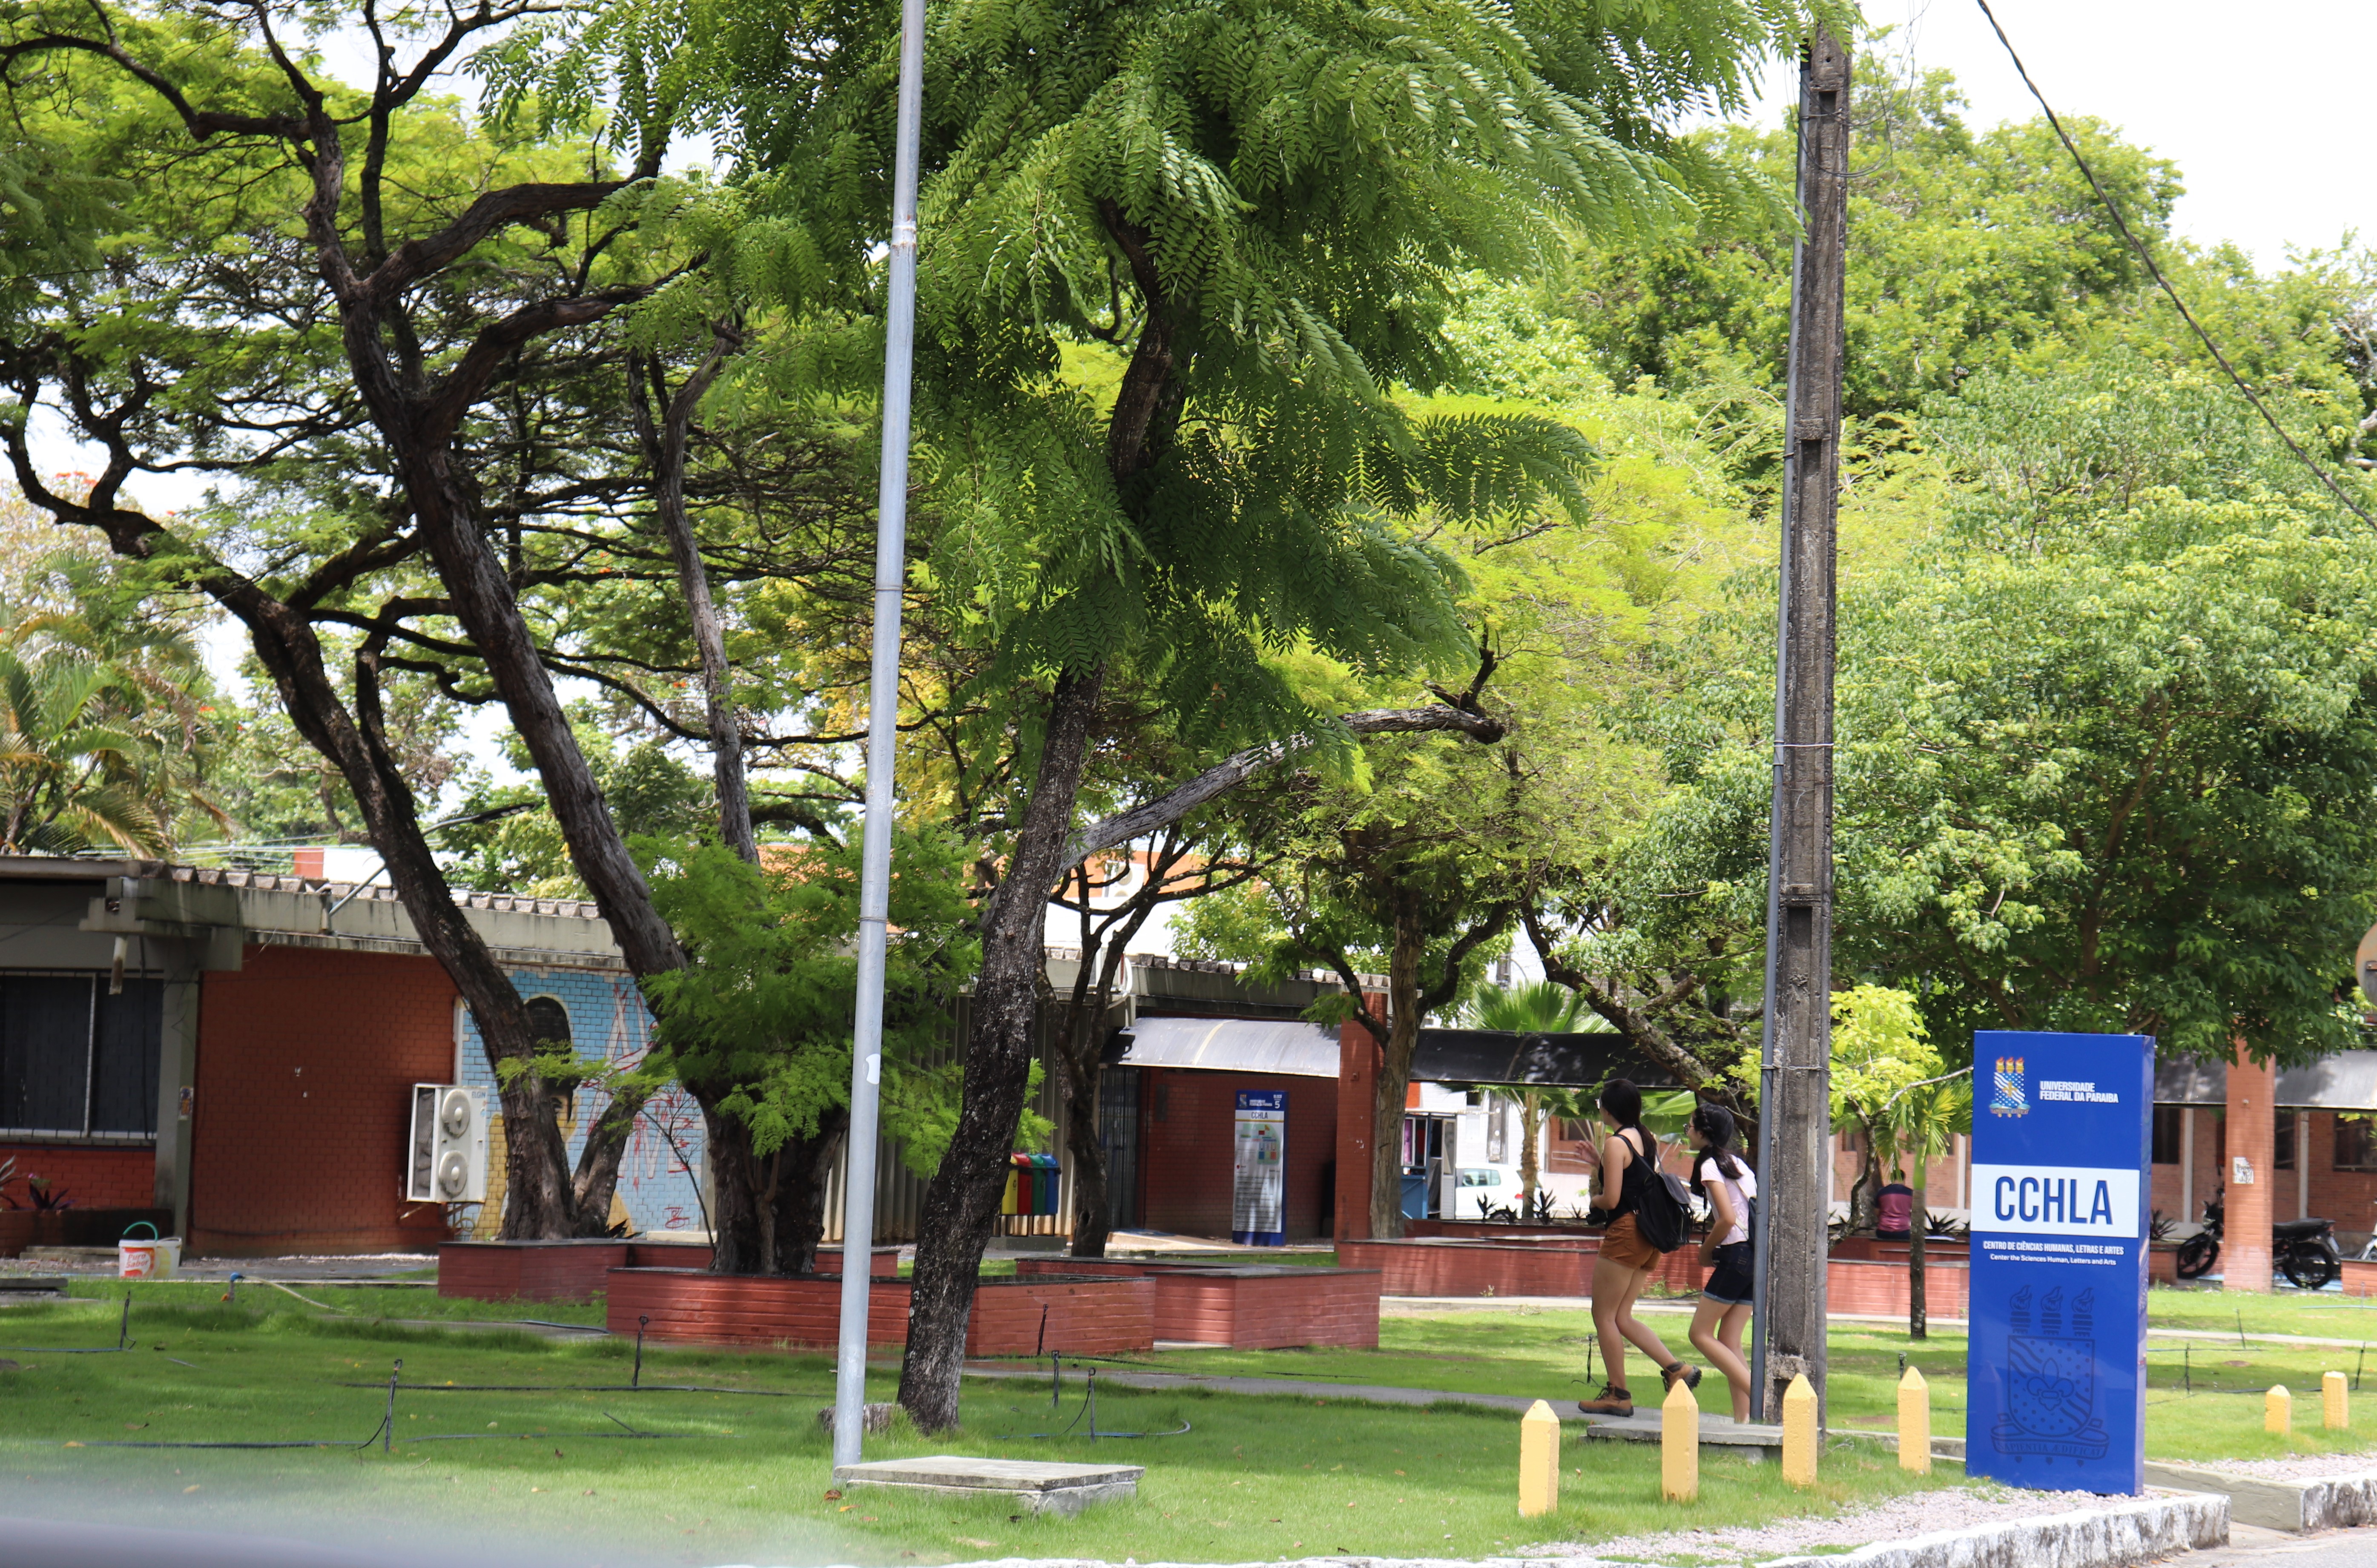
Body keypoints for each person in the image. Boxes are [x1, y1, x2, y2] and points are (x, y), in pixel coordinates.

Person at [1578, 1079, 1699, 1417]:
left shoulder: (1616, 1143)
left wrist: (1594, 1198)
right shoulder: (1644, 1138)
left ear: (1606, 1109)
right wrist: (1596, 1162)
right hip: (1649, 1236)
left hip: (1626, 1233)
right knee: (1622, 1317)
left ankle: (1619, 1394)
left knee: (1603, 1315)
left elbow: (1613, 1198)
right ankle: (1677, 1370)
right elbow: (1633, 1182)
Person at [1685, 1102, 1758, 1423]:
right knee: (1730, 1340)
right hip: (1755, 1256)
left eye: (1691, 1126)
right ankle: (1744, 1420)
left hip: (1736, 1254)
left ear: (1704, 1133)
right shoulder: (1739, 1165)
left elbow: (1727, 1219)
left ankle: (1762, 1400)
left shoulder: (1711, 1166)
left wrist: (1705, 1251)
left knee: (1700, 1334)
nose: (1688, 1131)